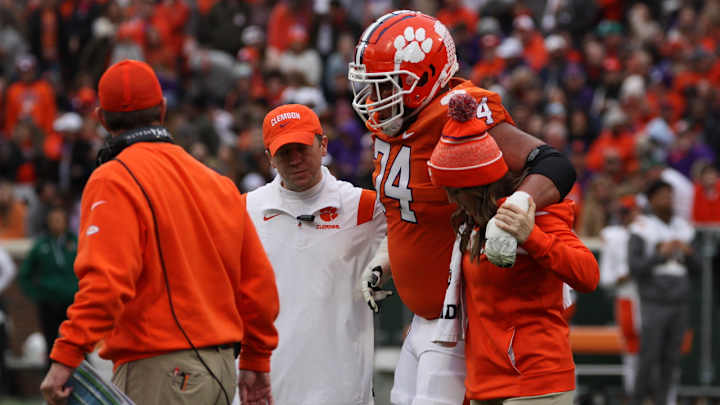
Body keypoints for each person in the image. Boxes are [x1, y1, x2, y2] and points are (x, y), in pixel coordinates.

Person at [348, 10, 576, 404]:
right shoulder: (393, 124)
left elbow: (554, 164)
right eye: (371, 85)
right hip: (422, 318)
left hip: (459, 319)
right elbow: (408, 212)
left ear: (424, 77)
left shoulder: (459, 111)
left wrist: (515, 212)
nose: (375, 98)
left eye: (386, 85)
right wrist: (386, 258)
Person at [39, 60, 279, 405]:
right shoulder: (217, 182)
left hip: (162, 369)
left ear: (102, 118)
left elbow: (106, 282)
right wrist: (256, 359)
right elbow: (258, 284)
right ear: (162, 109)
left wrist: (67, 355)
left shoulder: (113, 178)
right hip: (221, 372)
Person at [426, 94, 599, 404]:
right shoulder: (472, 222)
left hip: (537, 380)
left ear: (477, 184)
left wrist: (530, 236)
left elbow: (588, 274)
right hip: (483, 382)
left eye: (456, 190)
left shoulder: (533, 214)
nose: (451, 199)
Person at [237, 103, 387, 404]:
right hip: (268, 384)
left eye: (302, 148)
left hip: (341, 388)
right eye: (284, 152)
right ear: (269, 158)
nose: (295, 160)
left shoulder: (365, 207)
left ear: (323, 146)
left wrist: (383, 265)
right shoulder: (244, 209)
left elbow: (409, 237)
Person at [629, 180, 698, 405]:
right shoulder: (642, 227)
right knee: (649, 356)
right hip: (654, 300)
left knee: (671, 358)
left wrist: (688, 253)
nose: (667, 200)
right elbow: (635, 267)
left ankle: (662, 401)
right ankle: (638, 400)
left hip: (680, 299)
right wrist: (661, 254)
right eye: (662, 195)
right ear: (651, 199)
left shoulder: (683, 227)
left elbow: (698, 267)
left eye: (670, 195)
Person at [18, 206, 78, 354]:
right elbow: (25, 273)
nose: (57, 223)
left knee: (77, 341)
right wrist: (36, 293)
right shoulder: (41, 245)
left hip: (72, 301)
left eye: (59, 219)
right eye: (53, 220)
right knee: (51, 342)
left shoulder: (76, 242)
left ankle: (79, 369)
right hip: (49, 302)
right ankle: (50, 367)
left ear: (66, 221)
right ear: (48, 222)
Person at [598, 195, 641, 398]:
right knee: (631, 351)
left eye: (630, 211)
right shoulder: (613, 237)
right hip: (628, 297)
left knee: (657, 349)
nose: (627, 216)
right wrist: (625, 275)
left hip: (653, 297)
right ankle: (634, 394)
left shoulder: (650, 230)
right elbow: (606, 278)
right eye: (624, 212)